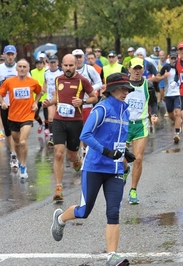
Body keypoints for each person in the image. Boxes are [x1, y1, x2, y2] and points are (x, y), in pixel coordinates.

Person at [50, 73, 135, 266]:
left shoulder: (125, 111)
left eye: (127, 89)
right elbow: (85, 135)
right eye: (122, 89)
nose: (126, 92)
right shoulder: (102, 109)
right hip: (94, 167)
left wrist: (124, 153)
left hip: (114, 169)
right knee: (84, 211)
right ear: (112, 90)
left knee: (113, 212)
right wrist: (106, 151)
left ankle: (112, 256)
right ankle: (61, 218)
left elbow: (118, 138)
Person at [42, 54, 98, 201]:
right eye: (65, 65)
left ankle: (76, 161)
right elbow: (58, 97)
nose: (68, 68)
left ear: (76, 65)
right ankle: (58, 189)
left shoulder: (82, 80)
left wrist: (83, 101)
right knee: (58, 153)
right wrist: (49, 102)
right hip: (59, 121)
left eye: (70, 65)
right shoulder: (58, 79)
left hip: (75, 122)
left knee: (71, 156)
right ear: (62, 65)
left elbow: (94, 97)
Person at [0, 59, 42, 179]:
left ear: (28, 69)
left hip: (27, 115)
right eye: (20, 67)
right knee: (16, 142)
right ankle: (19, 159)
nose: (22, 69)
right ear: (16, 69)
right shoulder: (9, 81)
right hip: (13, 116)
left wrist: (36, 102)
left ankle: (23, 165)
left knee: (23, 141)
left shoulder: (33, 82)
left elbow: (39, 92)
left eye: (24, 67)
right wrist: (2, 103)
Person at [124, 57, 159, 204]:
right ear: (129, 69)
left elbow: (153, 102)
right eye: (135, 68)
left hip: (141, 125)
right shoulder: (123, 84)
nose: (137, 71)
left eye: (140, 68)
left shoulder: (148, 85)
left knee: (138, 158)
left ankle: (133, 190)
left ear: (143, 70)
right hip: (124, 125)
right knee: (121, 159)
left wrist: (154, 115)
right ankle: (125, 170)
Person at [0, 44, 20, 169]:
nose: (10, 57)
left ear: (15, 55)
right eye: (7, 54)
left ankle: (18, 150)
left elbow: (29, 83)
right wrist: (0, 83)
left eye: (12, 54)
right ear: (4, 55)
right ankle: (13, 154)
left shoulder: (21, 67)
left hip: (19, 104)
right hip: (4, 104)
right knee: (8, 131)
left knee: (17, 132)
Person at [157, 52, 181, 143]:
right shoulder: (166, 67)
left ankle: (177, 133)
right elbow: (157, 77)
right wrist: (164, 76)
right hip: (168, 94)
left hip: (178, 94)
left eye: (175, 59)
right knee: (171, 115)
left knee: (178, 113)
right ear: (169, 59)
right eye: (172, 58)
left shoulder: (180, 67)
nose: (174, 60)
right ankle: (178, 123)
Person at [43, 54, 63, 146]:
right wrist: (43, 91)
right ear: (48, 63)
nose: (53, 64)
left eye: (54, 62)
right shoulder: (46, 72)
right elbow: (45, 83)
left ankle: (62, 134)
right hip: (50, 98)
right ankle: (52, 136)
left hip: (60, 98)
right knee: (50, 117)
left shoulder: (61, 72)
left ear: (58, 63)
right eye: (51, 62)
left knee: (60, 117)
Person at [30, 57, 48, 135]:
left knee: (46, 114)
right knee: (35, 114)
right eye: (37, 63)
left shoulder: (46, 71)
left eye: (40, 63)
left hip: (45, 96)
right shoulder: (32, 72)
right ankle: (41, 123)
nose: (39, 65)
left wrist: (44, 89)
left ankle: (47, 128)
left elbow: (48, 82)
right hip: (36, 97)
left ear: (43, 64)